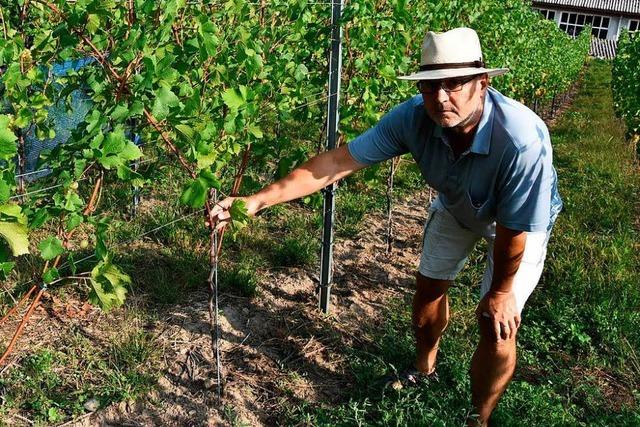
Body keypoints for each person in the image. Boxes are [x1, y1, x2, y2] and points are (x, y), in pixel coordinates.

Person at [209, 27, 562, 426]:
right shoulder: (413, 117)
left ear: (482, 83)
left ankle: (477, 418)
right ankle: (423, 370)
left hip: (515, 224)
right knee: (428, 290)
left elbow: (515, 229)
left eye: (455, 84)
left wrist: (500, 292)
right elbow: (336, 164)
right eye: (431, 86)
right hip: (457, 204)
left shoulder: (522, 139)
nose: (441, 97)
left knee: (497, 325)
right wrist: (255, 200)